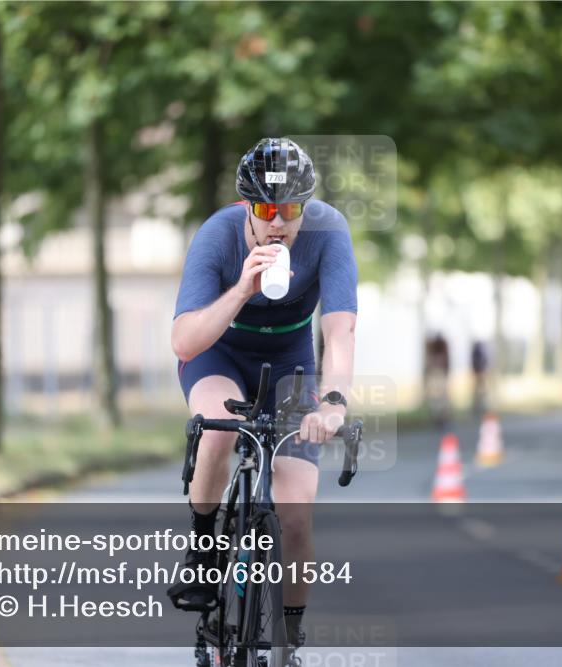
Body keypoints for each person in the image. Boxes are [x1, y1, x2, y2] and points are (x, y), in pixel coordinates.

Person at [170, 138, 358, 652]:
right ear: (247, 208)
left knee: (296, 510)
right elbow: (185, 340)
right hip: (219, 354)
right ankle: (205, 551)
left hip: (291, 364)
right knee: (216, 432)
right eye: (265, 209)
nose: (278, 222)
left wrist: (333, 403)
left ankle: (288, 643)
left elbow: (340, 332)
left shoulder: (329, 230)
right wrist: (242, 289)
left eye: (290, 209)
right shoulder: (218, 234)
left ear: (306, 207)